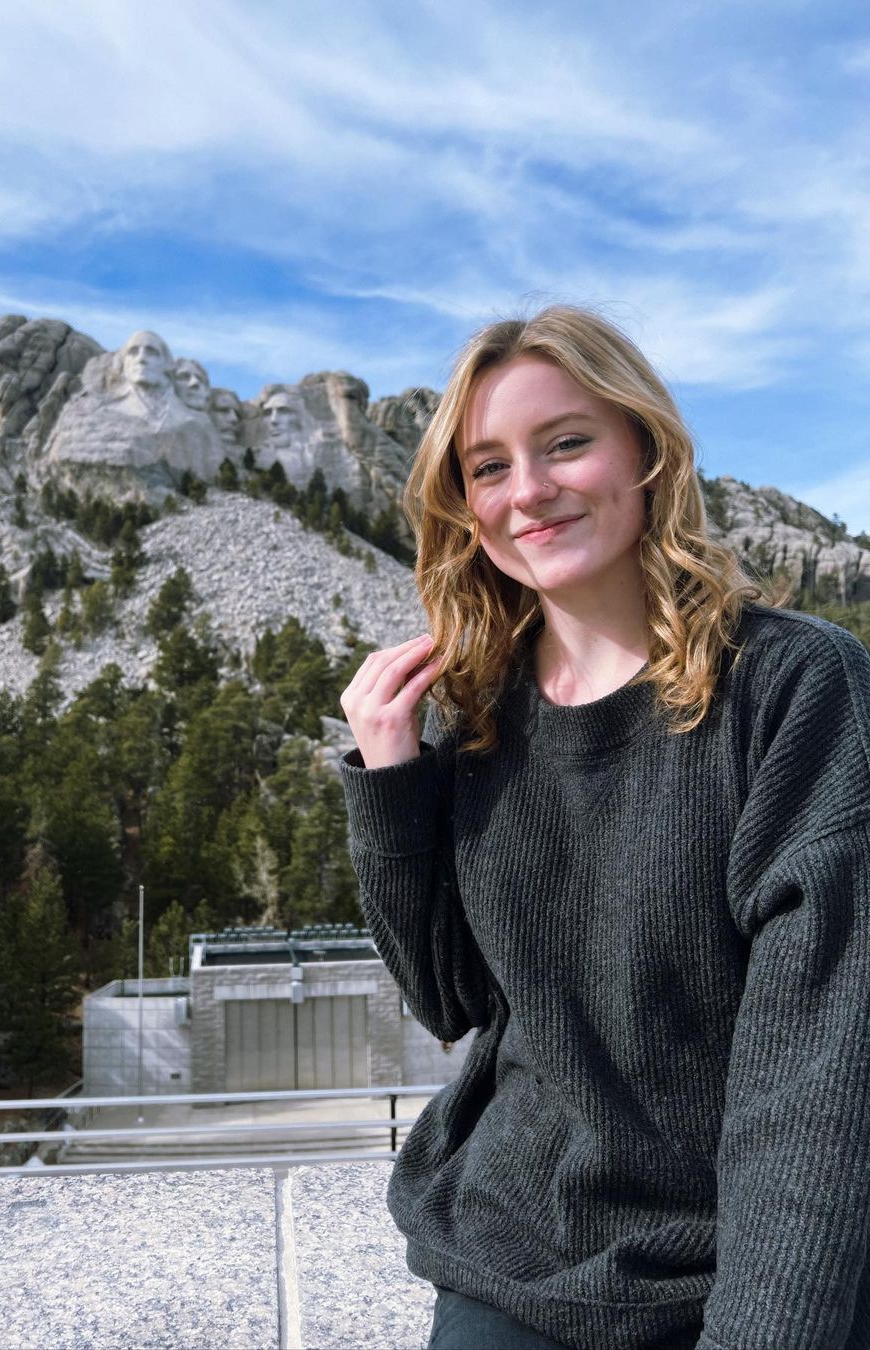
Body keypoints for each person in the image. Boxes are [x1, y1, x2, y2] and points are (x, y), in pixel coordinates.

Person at [338, 304, 870, 1350]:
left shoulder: (797, 687)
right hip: (518, 1250)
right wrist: (391, 781)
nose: (528, 491)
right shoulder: (481, 712)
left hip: (750, 1262)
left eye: (566, 443)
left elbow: (820, 1075)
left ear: (646, 451)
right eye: (488, 468)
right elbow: (451, 998)